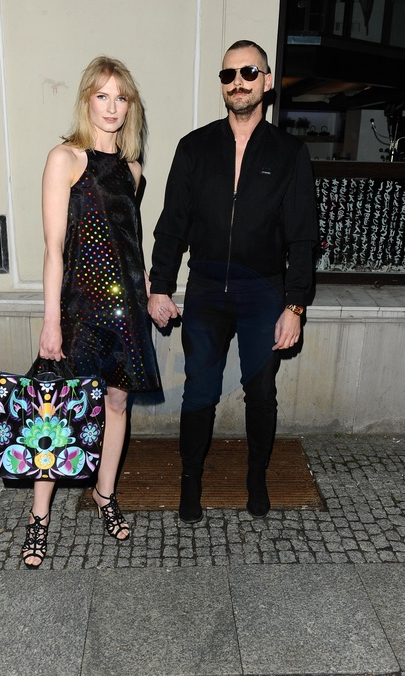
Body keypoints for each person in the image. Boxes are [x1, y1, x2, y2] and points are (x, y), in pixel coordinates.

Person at [148, 40, 317, 523]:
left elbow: (302, 236)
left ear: (267, 81)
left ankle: (256, 477)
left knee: (261, 392)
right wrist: (160, 286)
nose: (238, 82)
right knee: (199, 389)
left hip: (264, 292)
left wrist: (295, 305)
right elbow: (172, 224)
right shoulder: (194, 147)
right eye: (228, 75)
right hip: (206, 289)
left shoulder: (290, 153)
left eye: (248, 72)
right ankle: (190, 480)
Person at [22, 56, 160, 568]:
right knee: (56, 410)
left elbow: (129, 244)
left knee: (117, 403)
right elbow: (53, 249)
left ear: (130, 107)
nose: (112, 106)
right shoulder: (65, 159)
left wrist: (150, 291)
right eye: (102, 95)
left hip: (125, 310)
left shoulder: (133, 171)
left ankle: (105, 494)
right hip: (78, 310)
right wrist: (50, 322)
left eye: (121, 97)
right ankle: (39, 517)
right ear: (86, 101)